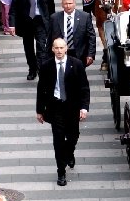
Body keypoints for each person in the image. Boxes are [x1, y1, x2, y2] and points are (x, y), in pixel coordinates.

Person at [36, 38, 91, 187]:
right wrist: (40, 111)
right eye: (56, 48)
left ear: (66, 48)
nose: (59, 51)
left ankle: (69, 153)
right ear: (52, 49)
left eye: (62, 48)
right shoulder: (46, 66)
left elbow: (84, 88)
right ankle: (61, 172)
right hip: (55, 108)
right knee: (58, 140)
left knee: (73, 136)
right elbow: (41, 89)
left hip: (72, 107)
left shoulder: (77, 64)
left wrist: (84, 108)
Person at [9, 0, 55, 80]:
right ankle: (32, 69)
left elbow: (51, 7)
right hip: (26, 22)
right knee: (28, 48)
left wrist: (52, 22)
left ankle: (41, 70)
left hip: (40, 21)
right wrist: (12, 24)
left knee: (41, 47)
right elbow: (14, 6)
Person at [48, 0, 97, 68]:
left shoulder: (85, 17)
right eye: (65, 4)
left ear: (74, 3)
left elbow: (91, 37)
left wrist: (90, 54)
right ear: (62, 5)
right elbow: (49, 38)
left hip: (79, 53)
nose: (68, 6)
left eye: (70, 3)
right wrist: (47, 56)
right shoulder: (54, 18)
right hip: (61, 52)